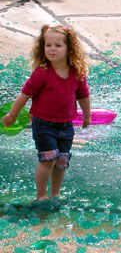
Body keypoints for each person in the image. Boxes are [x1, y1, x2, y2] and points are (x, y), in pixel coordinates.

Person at [1, 25, 90, 201]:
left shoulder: (77, 73)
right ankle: (41, 194)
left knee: (62, 161)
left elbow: (83, 96)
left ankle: (55, 193)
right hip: (43, 124)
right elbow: (24, 95)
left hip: (66, 125)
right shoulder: (42, 73)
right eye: (48, 45)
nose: (52, 49)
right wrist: (12, 115)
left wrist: (87, 116)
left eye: (58, 45)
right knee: (48, 159)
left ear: (69, 49)